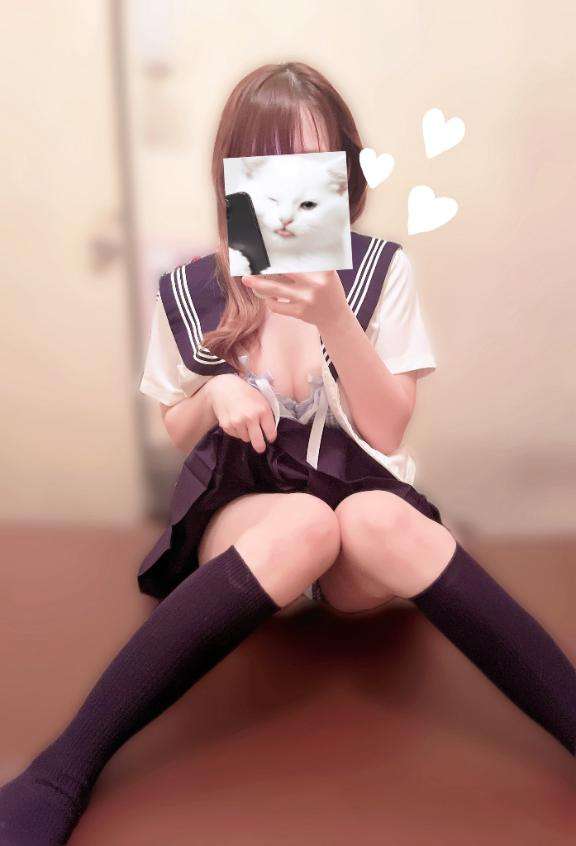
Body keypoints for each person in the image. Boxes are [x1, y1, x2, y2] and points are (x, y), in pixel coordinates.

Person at [0, 60, 574, 846]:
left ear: (343, 170)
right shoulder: (193, 287)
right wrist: (214, 396)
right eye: (267, 164)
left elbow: (387, 434)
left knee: (375, 519)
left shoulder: (381, 272)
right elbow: (176, 428)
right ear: (232, 176)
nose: (292, 186)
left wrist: (336, 319)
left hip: (355, 515)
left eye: (314, 164)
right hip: (249, 513)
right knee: (305, 521)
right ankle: (62, 769)